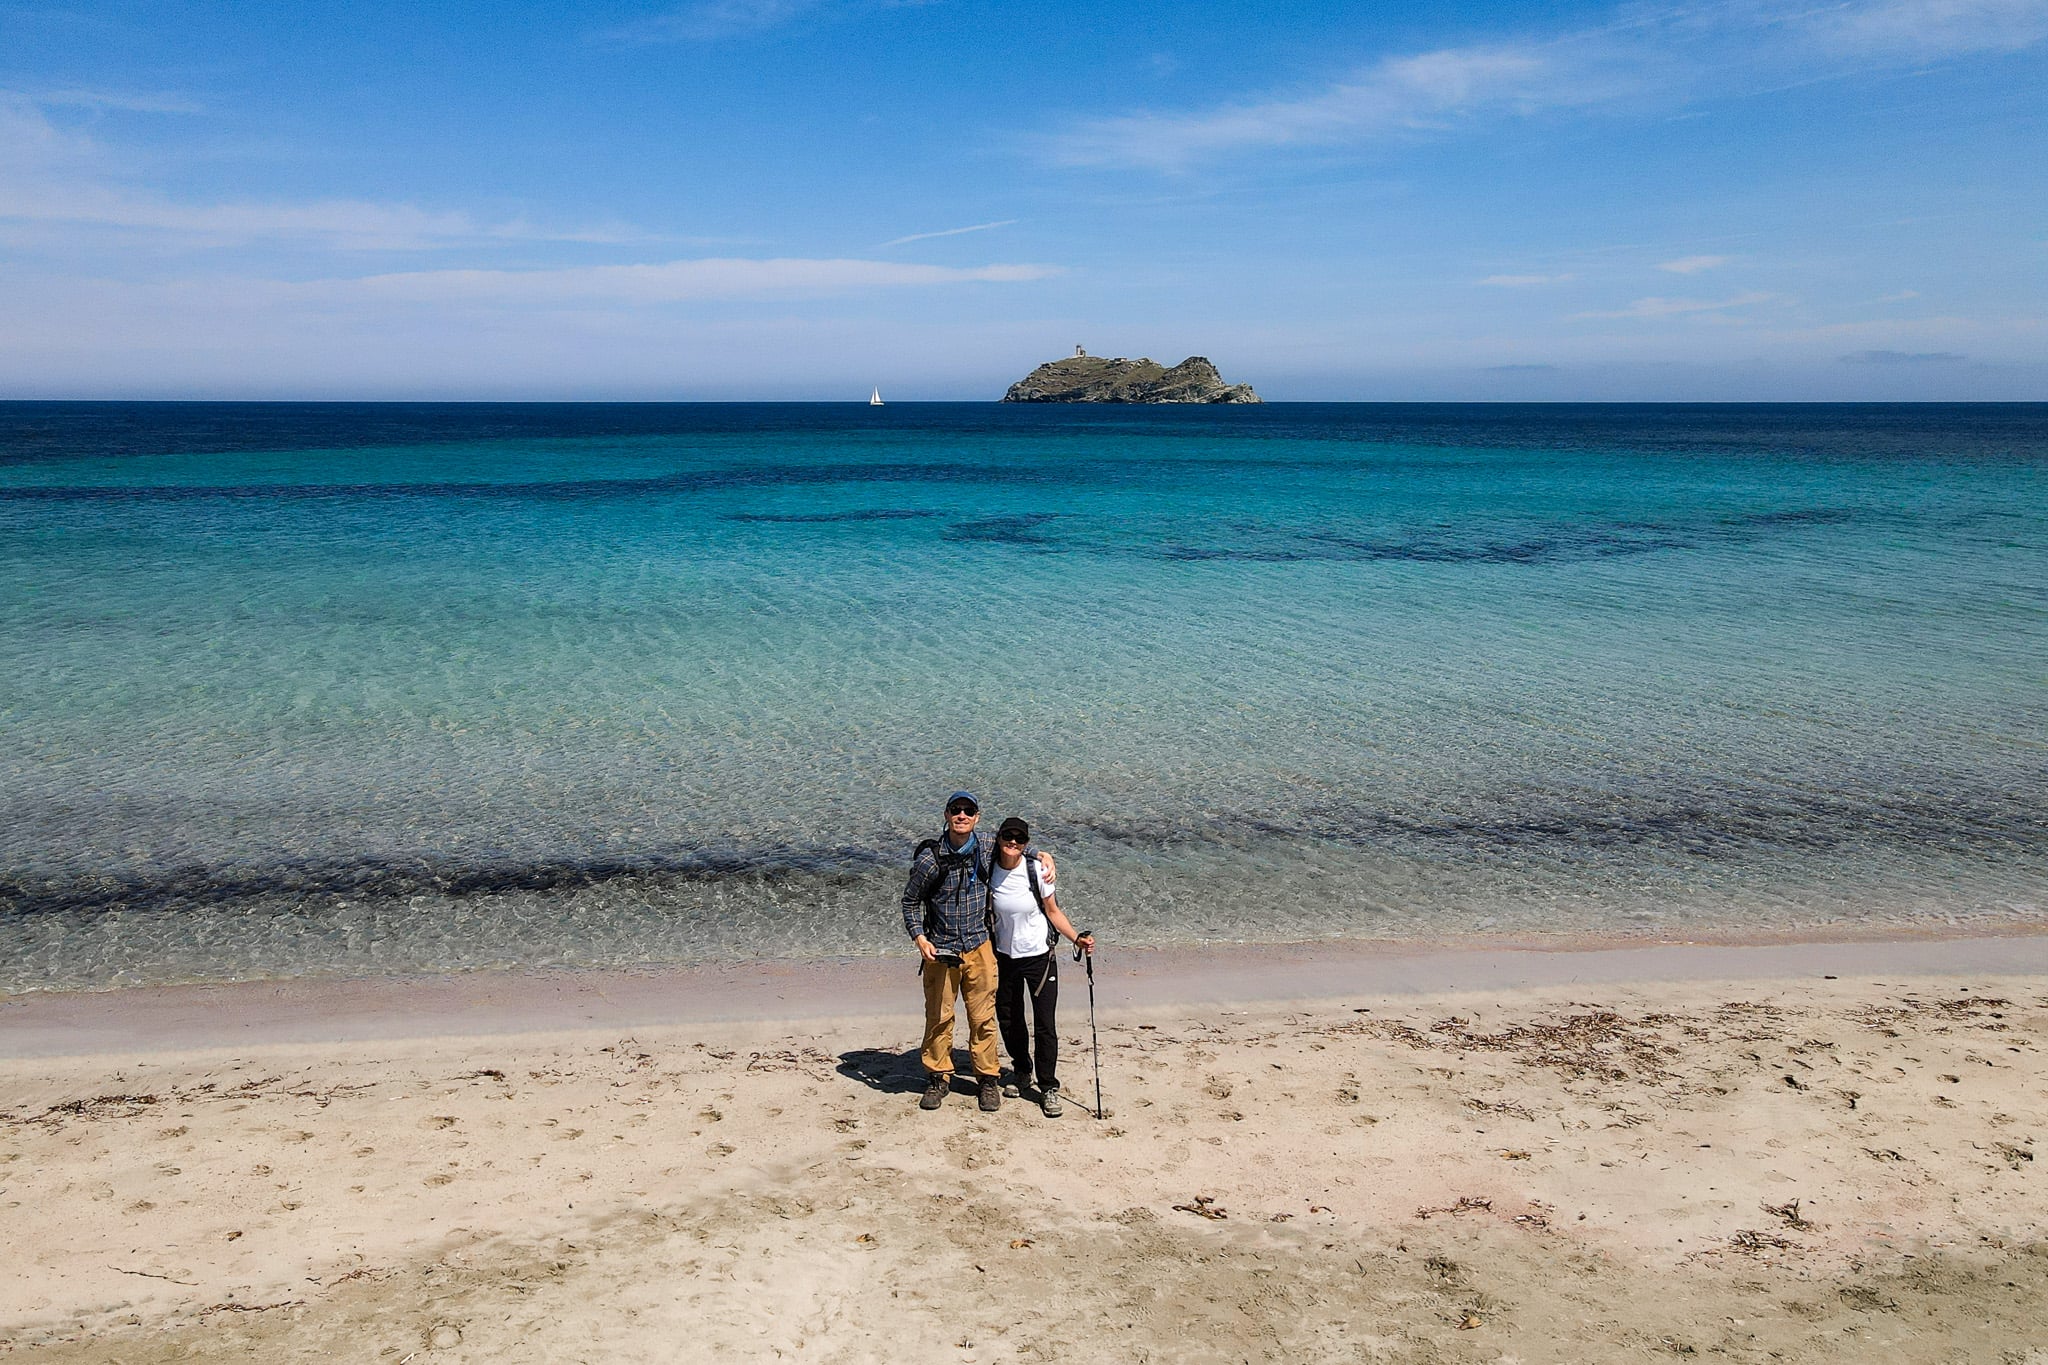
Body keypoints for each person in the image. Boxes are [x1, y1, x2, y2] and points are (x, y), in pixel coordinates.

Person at [901, 792, 1054, 1113]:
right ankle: (938, 1077)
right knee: (939, 1017)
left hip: (980, 945)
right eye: (956, 810)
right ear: (946, 815)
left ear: (977, 817)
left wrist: (1043, 854)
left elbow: (1014, 845)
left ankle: (987, 1079)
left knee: (983, 1018)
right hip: (940, 949)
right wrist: (919, 938)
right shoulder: (929, 859)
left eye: (968, 811)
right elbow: (910, 901)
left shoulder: (985, 846)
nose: (962, 815)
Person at [986, 816, 1093, 1117]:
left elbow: (1053, 911)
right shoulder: (988, 868)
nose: (1013, 842)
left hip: (1039, 958)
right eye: (1008, 836)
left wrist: (1077, 939)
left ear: (1026, 843)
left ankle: (1047, 1086)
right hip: (1004, 957)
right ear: (999, 837)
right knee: (1009, 1020)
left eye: (1020, 839)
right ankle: (1022, 1070)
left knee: (1045, 1024)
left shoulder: (1036, 870)